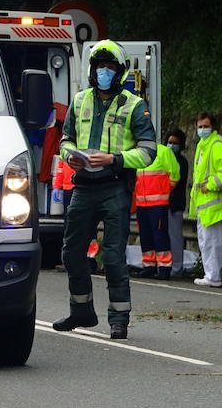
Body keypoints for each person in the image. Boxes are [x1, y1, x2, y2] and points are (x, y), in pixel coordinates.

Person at [51, 40, 158, 339]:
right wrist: (71, 156)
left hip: (114, 187)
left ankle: (119, 318)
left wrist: (116, 159)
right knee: (72, 253)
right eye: (100, 66)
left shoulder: (135, 105)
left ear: (121, 71)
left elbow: (149, 151)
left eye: (110, 67)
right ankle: (81, 311)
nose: (104, 72)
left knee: (112, 256)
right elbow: (65, 139)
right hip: (83, 186)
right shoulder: (80, 100)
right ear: (92, 69)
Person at [189, 112, 222, 287]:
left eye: (205, 126)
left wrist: (209, 185)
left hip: (213, 202)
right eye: (200, 126)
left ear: (213, 127)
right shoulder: (203, 145)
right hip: (204, 203)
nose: (202, 130)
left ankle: (213, 276)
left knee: (211, 241)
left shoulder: (217, 146)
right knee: (205, 241)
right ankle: (210, 274)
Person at [134, 137, 181, 278]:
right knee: (145, 235)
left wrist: (164, 191)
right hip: (141, 203)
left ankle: (164, 267)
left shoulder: (164, 151)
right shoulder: (136, 153)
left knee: (160, 234)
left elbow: (175, 174)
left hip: (158, 203)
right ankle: (149, 265)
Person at [164, 129, 191, 278]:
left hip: (174, 204)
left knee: (175, 238)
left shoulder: (181, 161)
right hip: (164, 203)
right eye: (169, 142)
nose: (171, 145)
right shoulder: (166, 159)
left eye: (175, 143)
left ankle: (176, 268)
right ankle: (168, 266)